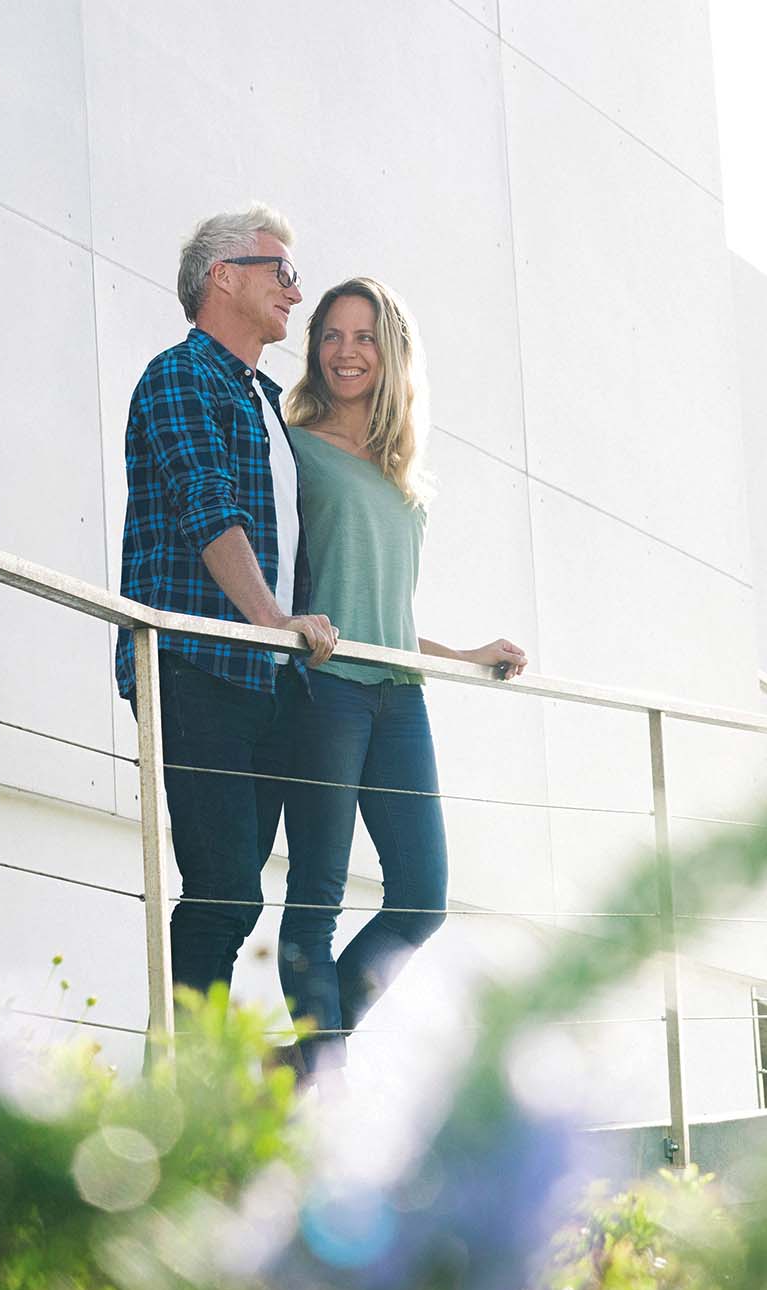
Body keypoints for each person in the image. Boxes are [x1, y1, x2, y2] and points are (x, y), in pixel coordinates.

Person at [276, 276, 529, 1081]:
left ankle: (297, 1068)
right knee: (314, 899)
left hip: (398, 696)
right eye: (331, 336)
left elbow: (378, 608)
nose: (346, 353)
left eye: (364, 337)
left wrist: (462, 657)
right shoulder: (295, 448)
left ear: (391, 354)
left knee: (421, 897)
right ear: (314, 349)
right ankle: (323, 1089)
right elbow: (300, 590)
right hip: (326, 690)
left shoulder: (401, 476)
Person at [115, 205, 339, 1032]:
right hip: (197, 666)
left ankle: (190, 1096)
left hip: (266, 680)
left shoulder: (271, 401)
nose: (295, 288)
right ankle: (169, 1106)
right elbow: (206, 506)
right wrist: (272, 618)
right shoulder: (180, 377)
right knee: (224, 893)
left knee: (239, 898)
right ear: (223, 276)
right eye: (279, 270)